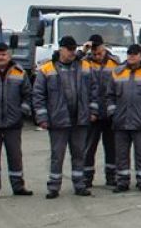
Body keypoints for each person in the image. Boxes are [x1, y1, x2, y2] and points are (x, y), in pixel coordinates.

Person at [33, 36, 99, 198]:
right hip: (58, 120)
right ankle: (53, 187)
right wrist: (42, 118)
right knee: (57, 155)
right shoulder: (47, 69)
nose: (72, 52)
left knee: (79, 154)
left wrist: (93, 111)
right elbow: (38, 95)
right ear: (61, 49)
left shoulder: (85, 66)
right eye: (69, 49)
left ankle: (79, 185)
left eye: (73, 49)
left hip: (80, 119)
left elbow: (94, 90)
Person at [0, 42, 34, 199]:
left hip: (13, 124)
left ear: (9, 56)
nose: (1, 57)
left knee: (15, 156)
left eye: (3, 54)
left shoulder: (20, 72)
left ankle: (18, 186)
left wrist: (22, 112)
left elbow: (28, 95)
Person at [107, 44, 141, 193]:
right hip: (121, 121)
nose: (131, 56)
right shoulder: (117, 73)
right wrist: (113, 113)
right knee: (121, 155)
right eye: (129, 53)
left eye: (135, 54)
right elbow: (110, 96)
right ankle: (122, 181)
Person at [83, 34, 120, 188]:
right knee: (88, 148)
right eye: (94, 54)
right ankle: (86, 178)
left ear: (104, 48)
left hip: (109, 114)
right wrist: (82, 51)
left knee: (111, 148)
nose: (97, 56)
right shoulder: (84, 62)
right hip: (92, 114)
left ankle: (111, 177)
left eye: (99, 53)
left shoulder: (115, 63)